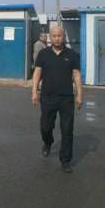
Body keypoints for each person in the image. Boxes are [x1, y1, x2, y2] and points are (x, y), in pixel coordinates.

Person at [32, 26, 83, 173]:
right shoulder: (43, 54)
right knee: (45, 127)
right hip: (47, 96)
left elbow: (76, 75)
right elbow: (37, 73)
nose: (57, 38)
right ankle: (48, 142)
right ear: (50, 37)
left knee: (67, 130)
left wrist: (79, 95)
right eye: (54, 36)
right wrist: (34, 92)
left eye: (59, 36)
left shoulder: (72, 55)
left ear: (63, 36)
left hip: (66, 98)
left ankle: (65, 160)